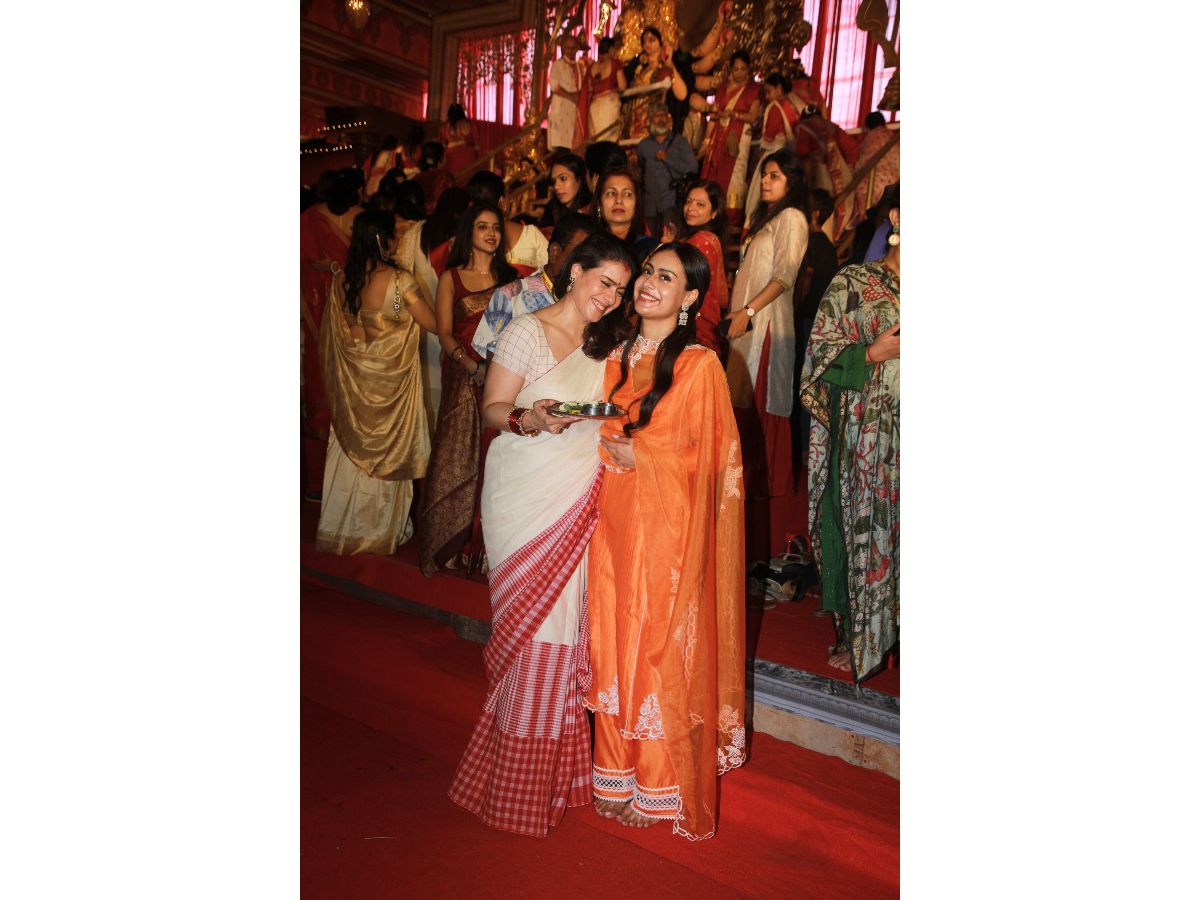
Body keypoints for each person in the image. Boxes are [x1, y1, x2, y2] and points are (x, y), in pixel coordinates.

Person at [448, 233, 637, 837]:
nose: (610, 298)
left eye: (620, 290)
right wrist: (529, 418)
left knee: (561, 636)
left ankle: (548, 781)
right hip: (523, 496)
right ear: (575, 271)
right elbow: (493, 408)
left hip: (577, 498)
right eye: (604, 282)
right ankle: (513, 784)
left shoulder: (609, 344)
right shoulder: (525, 332)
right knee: (529, 632)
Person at [585, 242, 746, 838]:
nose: (649, 283)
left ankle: (658, 780)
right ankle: (615, 769)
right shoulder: (614, 352)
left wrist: (644, 455)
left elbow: (718, 459)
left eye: (667, 277)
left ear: (691, 296)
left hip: (666, 524)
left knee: (656, 639)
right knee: (611, 633)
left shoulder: (700, 365)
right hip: (611, 516)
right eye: (648, 272)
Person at [798, 185, 899, 682]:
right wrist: (871, 354)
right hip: (869, 444)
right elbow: (816, 365)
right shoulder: (855, 283)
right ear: (897, 218)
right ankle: (862, 634)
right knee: (865, 529)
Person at [317, 210, 438, 555]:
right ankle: (378, 531)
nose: (398, 241)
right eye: (394, 236)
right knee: (387, 456)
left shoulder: (343, 280)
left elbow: (349, 330)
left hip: (353, 390)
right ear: (381, 240)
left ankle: (343, 527)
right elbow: (426, 321)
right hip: (388, 392)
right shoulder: (398, 282)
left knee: (349, 454)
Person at [418, 204, 517, 576]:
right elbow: (444, 332)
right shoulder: (451, 278)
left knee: (496, 457)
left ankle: (484, 548)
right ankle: (449, 544)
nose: (491, 233)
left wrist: (495, 369)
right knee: (455, 454)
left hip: (502, 375)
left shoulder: (511, 278)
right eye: (482, 227)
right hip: (462, 375)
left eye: (496, 227)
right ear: (468, 233)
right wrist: (471, 365)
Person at [723, 149, 809, 499]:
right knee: (743, 406)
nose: (765, 181)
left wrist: (749, 311)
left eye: (774, 175)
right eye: (764, 175)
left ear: (792, 181)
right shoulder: (769, 218)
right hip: (749, 325)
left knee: (760, 409)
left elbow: (784, 276)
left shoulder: (792, 217)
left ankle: (765, 494)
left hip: (766, 327)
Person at [301, 170, 364, 501]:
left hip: (330, 316)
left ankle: (324, 483)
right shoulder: (353, 217)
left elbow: (309, 264)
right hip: (351, 316)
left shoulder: (311, 218)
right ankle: (340, 481)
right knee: (342, 394)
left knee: (327, 390)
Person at [472, 212, 601, 357]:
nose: (586, 266)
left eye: (593, 260)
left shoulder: (596, 303)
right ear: (555, 252)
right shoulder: (510, 296)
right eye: (580, 256)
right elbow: (493, 363)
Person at [791, 188, 839, 476]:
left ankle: (802, 451)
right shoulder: (828, 247)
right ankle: (805, 451)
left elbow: (807, 285)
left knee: (803, 383)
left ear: (815, 213)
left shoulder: (813, 245)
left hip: (808, 321)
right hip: (817, 323)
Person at [698, 50, 760, 230]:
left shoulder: (753, 89)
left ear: (749, 69)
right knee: (714, 172)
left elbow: (753, 116)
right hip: (718, 137)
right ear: (730, 69)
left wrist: (734, 114)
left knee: (735, 176)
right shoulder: (723, 87)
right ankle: (711, 215)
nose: (739, 73)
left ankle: (731, 220)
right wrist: (706, 140)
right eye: (736, 69)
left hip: (738, 138)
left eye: (743, 69)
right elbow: (714, 115)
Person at [679, 179, 729, 353]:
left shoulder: (702, 241)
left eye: (700, 204)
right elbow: (722, 296)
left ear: (714, 212)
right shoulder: (708, 238)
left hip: (694, 324)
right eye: (688, 201)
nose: (690, 208)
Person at [744, 73, 800, 226]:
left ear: (779, 88)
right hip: (787, 159)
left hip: (773, 155)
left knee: (759, 195)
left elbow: (768, 138)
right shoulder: (791, 106)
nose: (767, 97)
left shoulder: (775, 107)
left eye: (769, 92)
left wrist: (757, 162)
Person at [636, 101, 697, 239]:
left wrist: (668, 159)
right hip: (649, 205)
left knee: (670, 240)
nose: (661, 119)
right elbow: (640, 171)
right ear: (650, 120)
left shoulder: (679, 141)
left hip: (671, 202)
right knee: (649, 242)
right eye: (657, 116)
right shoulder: (644, 145)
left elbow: (692, 167)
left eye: (664, 115)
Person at [623, 27, 688, 143]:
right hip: (636, 118)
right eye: (644, 41)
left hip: (654, 117)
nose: (647, 44)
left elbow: (682, 94)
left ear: (660, 42)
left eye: (651, 40)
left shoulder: (665, 67)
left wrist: (669, 63)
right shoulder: (639, 69)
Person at [595, 166, 654, 257]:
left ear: (636, 204)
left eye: (627, 194)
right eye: (611, 193)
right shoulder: (589, 248)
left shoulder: (650, 250)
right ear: (599, 203)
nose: (619, 200)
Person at [548, 32, 586, 152]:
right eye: (567, 48)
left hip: (575, 113)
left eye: (573, 48)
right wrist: (571, 96)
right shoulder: (557, 65)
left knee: (573, 147)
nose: (570, 51)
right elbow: (554, 86)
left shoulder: (581, 67)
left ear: (577, 48)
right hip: (561, 113)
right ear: (563, 48)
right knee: (561, 149)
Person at [538, 152, 593, 228]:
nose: (556, 186)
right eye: (554, 181)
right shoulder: (552, 208)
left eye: (563, 178)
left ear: (579, 178)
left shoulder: (591, 210)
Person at [588, 36, 627, 142]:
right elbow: (622, 86)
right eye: (614, 49)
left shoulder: (592, 67)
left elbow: (590, 89)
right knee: (609, 140)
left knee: (598, 140)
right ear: (610, 49)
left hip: (594, 107)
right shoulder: (614, 63)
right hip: (609, 104)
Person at [414, 141, 456, 216]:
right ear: (441, 158)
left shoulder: (417, 177)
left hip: (422, 217)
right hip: (442, 216)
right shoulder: (445, 176)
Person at [442, 103, 478, 178]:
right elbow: (475, 142)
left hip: (451, 156)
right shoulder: (471, 124)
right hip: (468, 156)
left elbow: (443, 143)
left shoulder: (445, 126)